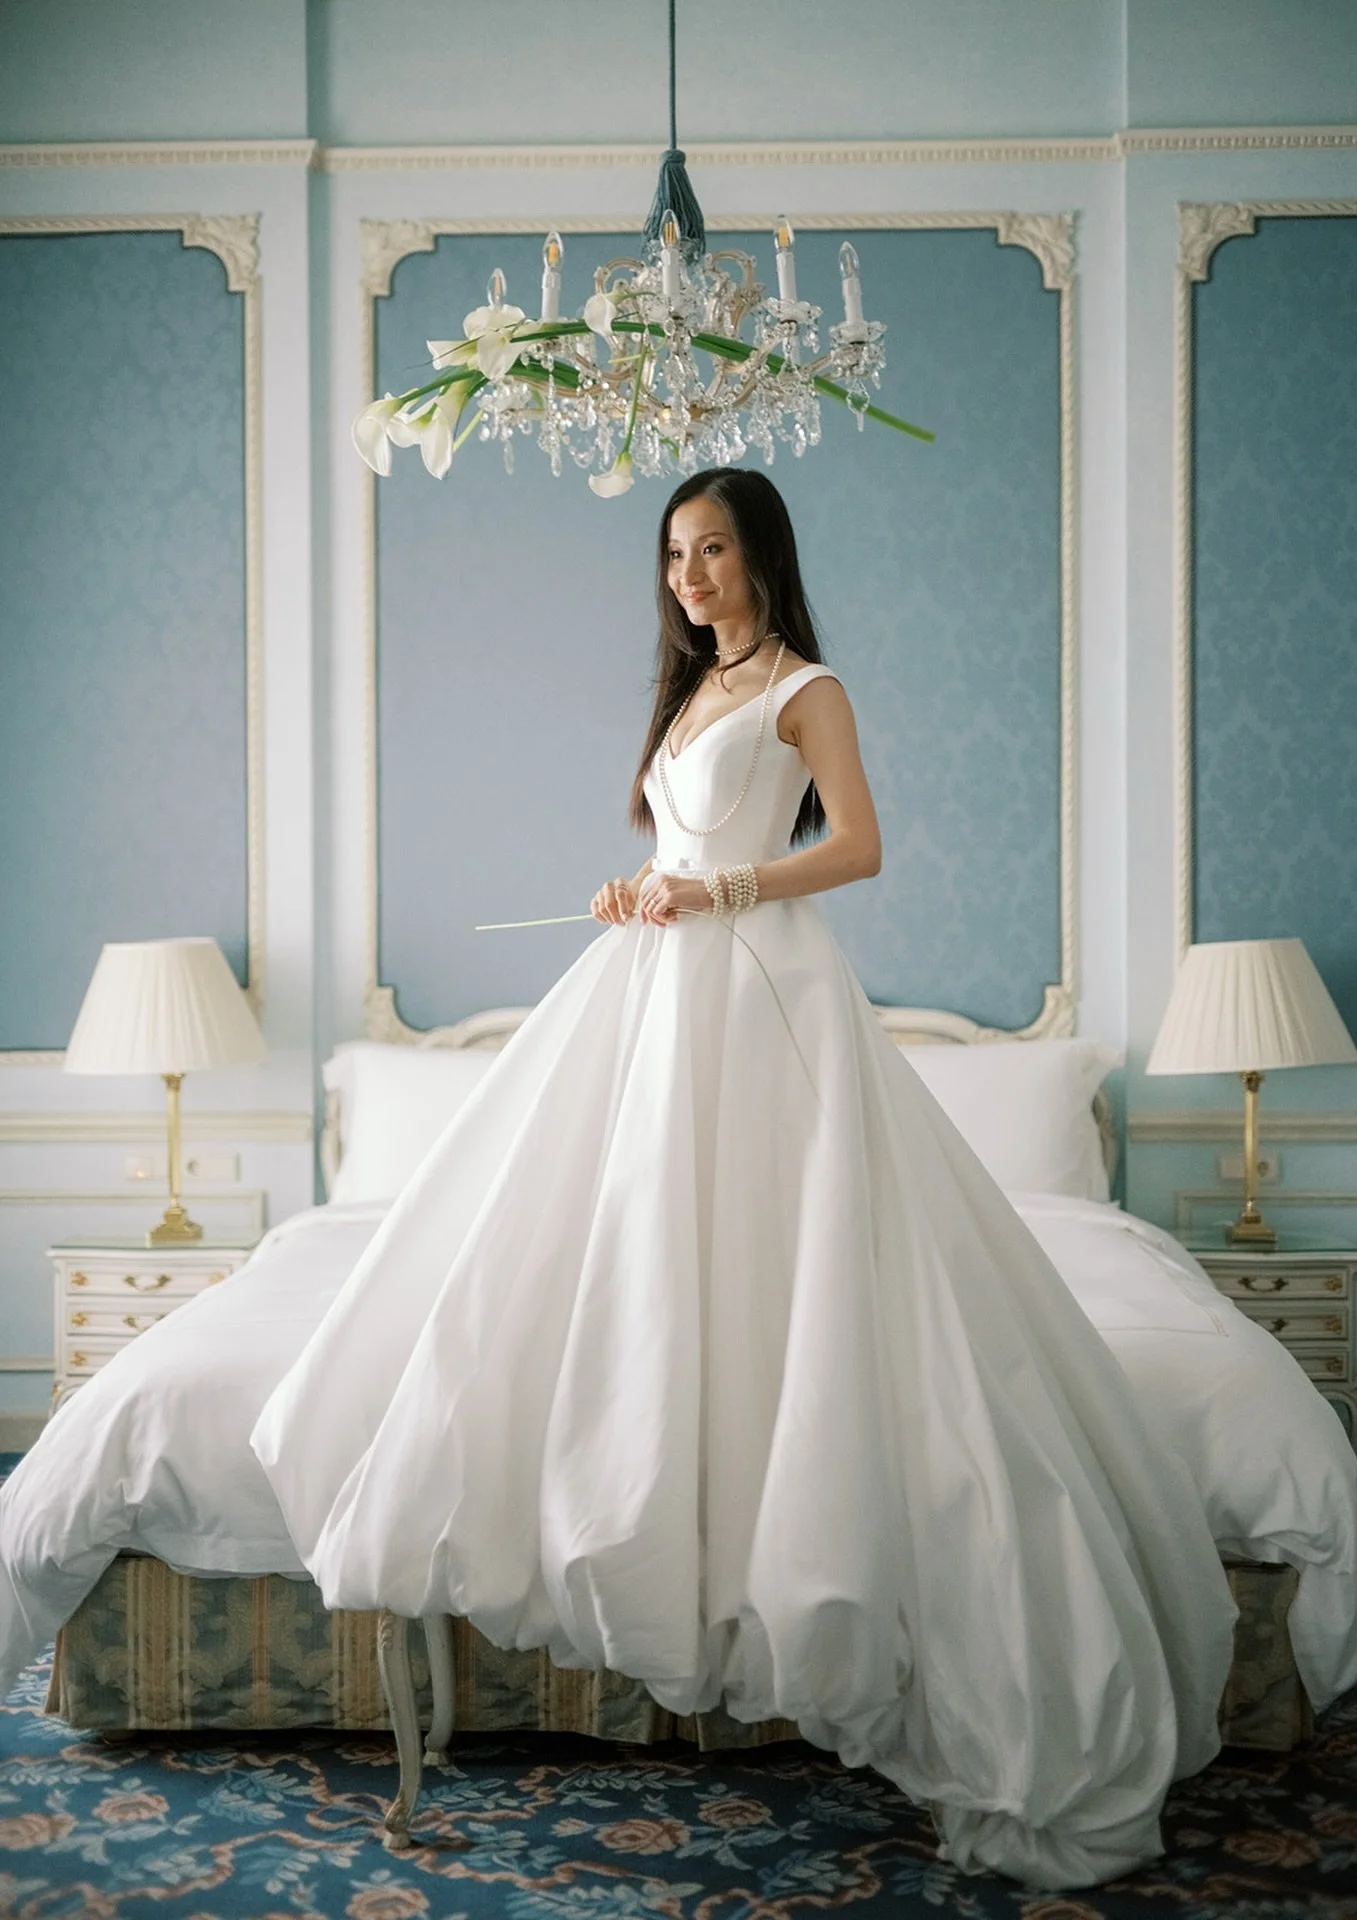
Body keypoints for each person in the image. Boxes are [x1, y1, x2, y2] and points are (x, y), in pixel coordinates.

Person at [253, 467, 1234, 1891]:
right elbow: (679, 846)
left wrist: (712, 890)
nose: (689, 574)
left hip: (761, 986)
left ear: (762, 555)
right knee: (629, 1235)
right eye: (673, 553)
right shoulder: (690, 696)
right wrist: (631, 885)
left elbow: (858, 845)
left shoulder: (801, 684)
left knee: (790, 1231)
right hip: (660, 989)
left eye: (712, 549)